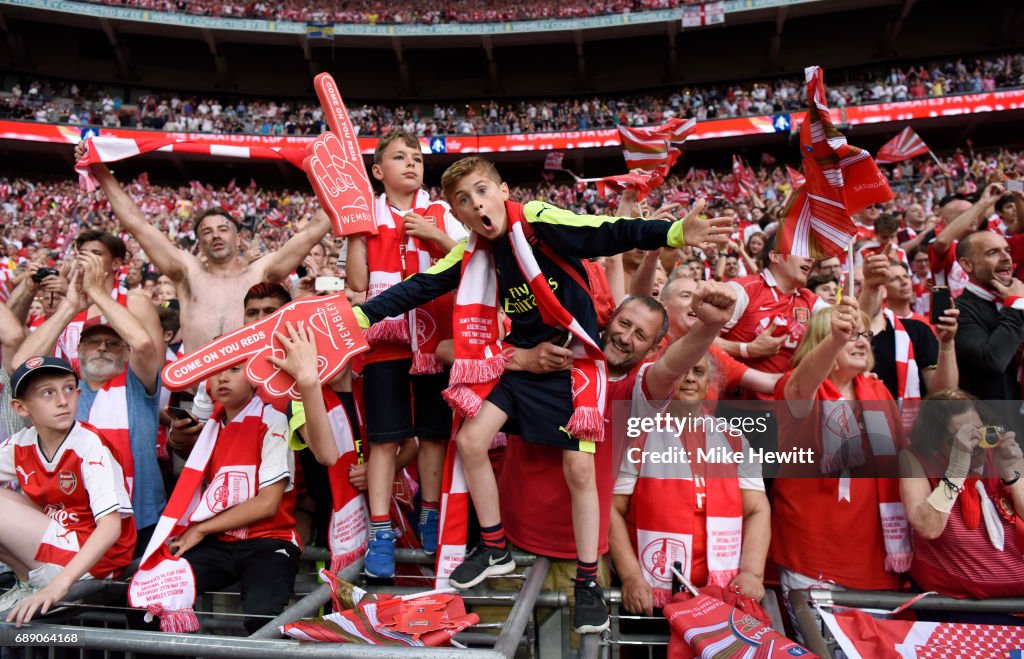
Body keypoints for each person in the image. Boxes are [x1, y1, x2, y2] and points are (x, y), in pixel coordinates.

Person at [354, 156, 732, 633]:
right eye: (464, 202)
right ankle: (494, 548)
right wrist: (363, 318)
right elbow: (420, 286)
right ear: (460, 217)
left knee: (578, 467)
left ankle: (589, 583)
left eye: (482, 192)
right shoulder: (473, 252)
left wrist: (673, 233)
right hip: (523, 365)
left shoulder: (539, 221)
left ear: (504, 191)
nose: (476, 205)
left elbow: (604, 232)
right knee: (471, 443)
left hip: (574, 367)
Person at [345, 130, 467, 578]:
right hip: (385, 341)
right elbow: (357, 283)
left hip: (434, 342)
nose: (412, 164)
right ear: (378, 171)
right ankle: (380, 530)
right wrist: (356, 233)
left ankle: (429, 513)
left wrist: (436, 235)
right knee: (384, 438)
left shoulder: (442, 212)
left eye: (416, 158)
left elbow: (468, 260)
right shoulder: (365, 216)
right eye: (400, 158)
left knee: (434, 434)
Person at [76, 142, 331, 355]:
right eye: (206, 232)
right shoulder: (187, 271)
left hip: (251, 387)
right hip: (194, 393)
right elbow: (138, 225)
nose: (215, 235)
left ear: (239, 238)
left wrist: (342, 178)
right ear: (200, 243)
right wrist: (100, 171)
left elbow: (311, 233)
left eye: (223, 229)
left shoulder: (261, 271)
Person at [772, 298, 911, 631]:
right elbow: (802, 383)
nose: (861, 340)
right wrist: (835, 339)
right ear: (824, 339)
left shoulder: (880, 392)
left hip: (879, 563)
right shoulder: (798, 387)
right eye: (849, 334)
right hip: (813, 558)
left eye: (864, 334)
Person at [13, 257, 165, 551]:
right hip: (78, 520)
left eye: (113, 343)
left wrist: (96, 292)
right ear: (78, 350)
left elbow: (144, 345)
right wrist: (70, 306)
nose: (103, 348)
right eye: (94, 343)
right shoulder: (66, 392)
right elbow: (21, 364)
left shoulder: (138, 385)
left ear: (125, 353)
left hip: (141, 516)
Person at [610, 352, 771, 614]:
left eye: (698, 372)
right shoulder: (637, 437)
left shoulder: (735, 440)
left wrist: (753, 573)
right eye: (680, 371)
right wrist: (630, 577)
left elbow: (757, 509)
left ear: (709, 385)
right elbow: (611, 510)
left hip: (722, 593)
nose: (689, 379)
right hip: (650, 595)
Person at [164, 362, 299, 634]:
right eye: (217, 371)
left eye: (235, 370)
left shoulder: (273, 419)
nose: (223, 377)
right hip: (219, 541)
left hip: (269, 539)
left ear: (254, 378)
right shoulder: (210, 425)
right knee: (156, 592)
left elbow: (267, 503)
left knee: (262, 623)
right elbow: (188, 455)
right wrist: (178, 438)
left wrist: (200, 529)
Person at [0, 357, 135, 625]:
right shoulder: (21, 443)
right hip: (61, 542)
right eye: (47, 393)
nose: (63, 400)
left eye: (69, 389)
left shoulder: (91, 444)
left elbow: (110, 528)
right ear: (20, 408)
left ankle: (37, 583)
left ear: (78, 393)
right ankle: (26, 582)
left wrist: (59, 585)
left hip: (97, 561)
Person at [900, 390, 1024, 607]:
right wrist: (956, 470)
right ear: (935, 441)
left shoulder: (999, 455)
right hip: (954, 605)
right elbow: (928, 527)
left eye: (979, 432)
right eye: (963, 437)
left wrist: (1012, 476)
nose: (975, 443)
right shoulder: (917, 459)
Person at [953, 230, 1024, 400]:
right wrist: (1015, 305)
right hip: (995, 420)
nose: (1006, 257)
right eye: (992, 253)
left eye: (1007, 250)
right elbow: (992, 360)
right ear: (967, 265)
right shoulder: (957, 310)